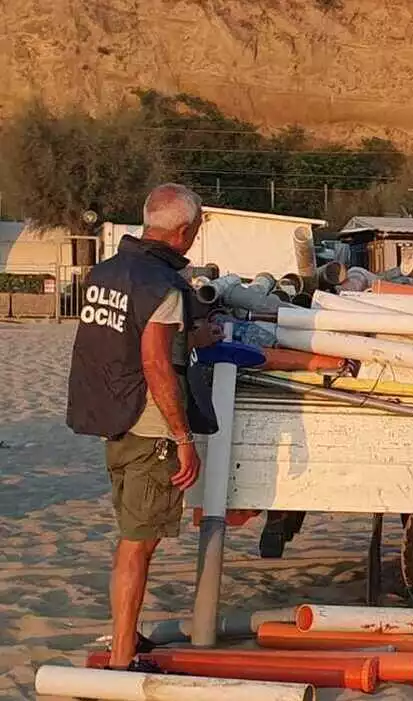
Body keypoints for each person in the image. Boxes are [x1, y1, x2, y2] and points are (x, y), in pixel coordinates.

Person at [66, 183, 221, 670]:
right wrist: (183, 437)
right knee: (139, 544)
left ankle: (125, 636)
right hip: (152, 429)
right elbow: (156, 363)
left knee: (131, 536)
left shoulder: (106, 272)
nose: (194, 238)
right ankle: (123, 658)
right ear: (182, 231)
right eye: (194, 230)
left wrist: (195, 331)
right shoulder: (162, 283)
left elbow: (120, 335)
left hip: (113, 419)